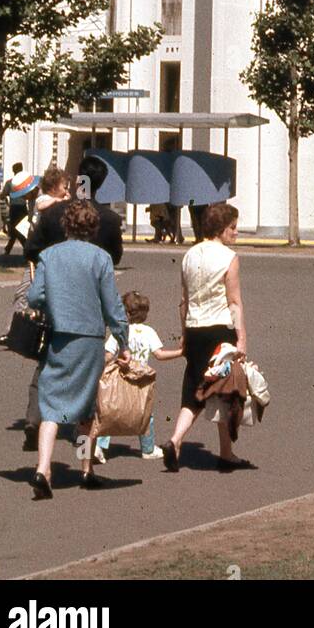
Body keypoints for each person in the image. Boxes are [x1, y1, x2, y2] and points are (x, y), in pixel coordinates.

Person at [25, 200, 131, 498]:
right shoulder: (100, 259)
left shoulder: (49, 256)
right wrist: (123, 341)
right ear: (93, 227)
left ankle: (43, 468)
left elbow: (34, 297)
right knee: (86, 409)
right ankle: (86, 469)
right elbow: (113, 306)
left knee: (51, 405)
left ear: (66, 225)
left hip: (59, 337)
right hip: (90, 340)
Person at [19, 156, 123, 452]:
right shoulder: (109, 220)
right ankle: (85, 460)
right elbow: (115, 258)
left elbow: (32, 249)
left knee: (48, 361)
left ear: (78, 180)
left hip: (57, 301)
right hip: (91, 307)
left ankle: (35, 419)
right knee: (89, 383)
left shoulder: (53, 214)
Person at [163, 202, 249, 473]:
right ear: (222, 229)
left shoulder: (189, 255)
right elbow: (234, 302)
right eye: (233, 228)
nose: (236, 233)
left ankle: (176, 440)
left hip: (195, 328)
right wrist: (242, 338)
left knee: (194, 389)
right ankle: (225, 453)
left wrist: (185, 334)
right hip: (219, 329)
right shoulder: (228, 257)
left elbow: (183, 301)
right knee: (223, 389)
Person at [94, 291, 182, 462]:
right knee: (145, 413)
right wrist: (180, 352)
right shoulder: (149, 332)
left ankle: (99, 446)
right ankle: (148, 449)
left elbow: (108, 354)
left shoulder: (119, 332)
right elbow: (159, 354)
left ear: (125, 312)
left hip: (120, 378)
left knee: (110, 412)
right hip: (141, 380)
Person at [0, 166, 71, 347]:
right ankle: (12, 332)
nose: (26, 198)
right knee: (24, 293)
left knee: (41, 294)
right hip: (37, 252)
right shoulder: (41, 199)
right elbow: (42, 205)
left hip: (47, 253)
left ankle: (37, 332)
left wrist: (60, 200)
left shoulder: (43, 196)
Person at [1, 163, 40, 256]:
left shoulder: (9, 182)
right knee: (19, 229)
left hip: (14, 208)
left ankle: (24, 247)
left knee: (18, 229)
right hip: (22, 208)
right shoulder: (17, 183)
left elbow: (3, 194)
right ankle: (24, 248)